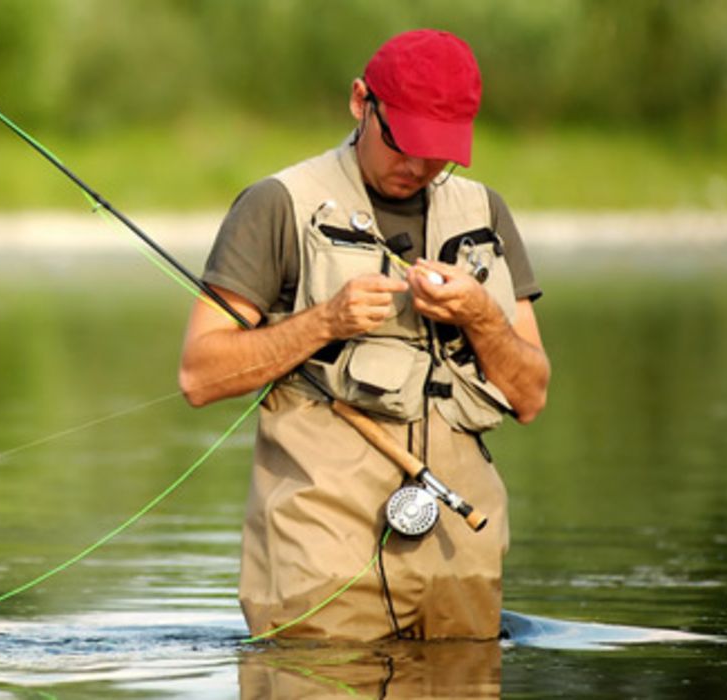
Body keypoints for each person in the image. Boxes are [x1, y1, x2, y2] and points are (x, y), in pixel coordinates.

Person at [178, 29, 550, 641]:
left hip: (463, 556)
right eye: (403, 143)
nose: (417, 167)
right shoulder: (277, 205)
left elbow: (531, 397)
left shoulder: (487, 213)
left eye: (440, 152)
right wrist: (326, 321)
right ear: (360, 102)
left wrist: (482, 314)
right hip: (318, 563)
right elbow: (198, 375)